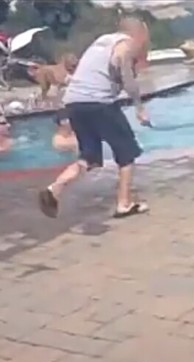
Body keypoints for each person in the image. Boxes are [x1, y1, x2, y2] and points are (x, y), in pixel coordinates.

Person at [38, 16, 151, 219]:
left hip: (73, 103)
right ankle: (124, 204)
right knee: (127, 153)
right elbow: (126, 77)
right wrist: (139, 108)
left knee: (89, 158)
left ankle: (54, 188)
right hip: (99, 103)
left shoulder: (101, 41)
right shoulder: (126, 44)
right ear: (138, 33)